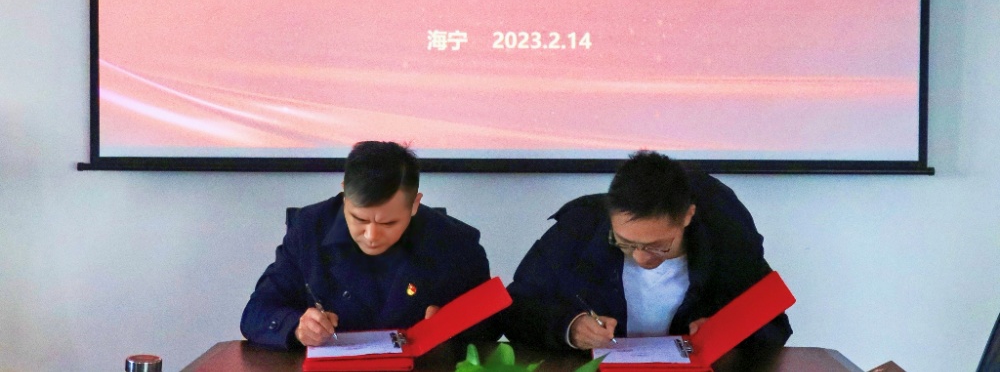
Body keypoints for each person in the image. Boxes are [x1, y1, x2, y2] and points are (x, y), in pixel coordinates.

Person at [503, 151, 791, 353]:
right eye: (625, 243)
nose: (641, 258)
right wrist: (570, 327)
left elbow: (775, 325)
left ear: (687, 216)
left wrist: (731, 331)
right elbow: (515, 309)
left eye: (658, 246)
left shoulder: (729, 243)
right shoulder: (577, 232)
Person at [240, 141, 495, 350]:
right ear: (345, 195)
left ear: (414, 204)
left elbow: (491, 326)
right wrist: (297, 327)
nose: (372, 235)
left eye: (389, 223)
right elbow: (256, 312)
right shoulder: (309, 230)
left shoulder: (454, 242)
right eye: (359, 219)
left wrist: (456, 325)